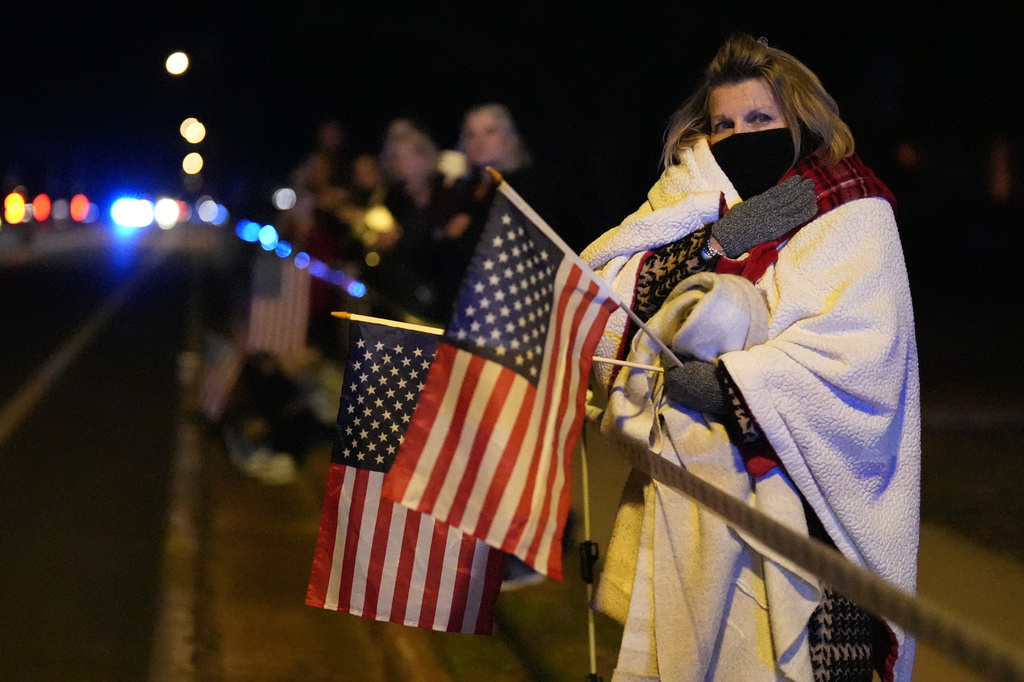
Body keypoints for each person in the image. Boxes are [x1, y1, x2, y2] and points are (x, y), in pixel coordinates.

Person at [583, 34, 918, 681]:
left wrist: (729, 385)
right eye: (723, 125)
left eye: (760, 120)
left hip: (810, 504)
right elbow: (606, 300)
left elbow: (861, 363)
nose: (740, 137)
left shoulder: (853, 210)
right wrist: (718, 240)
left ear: (801, 121)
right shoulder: (684, 200)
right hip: (694, 499)